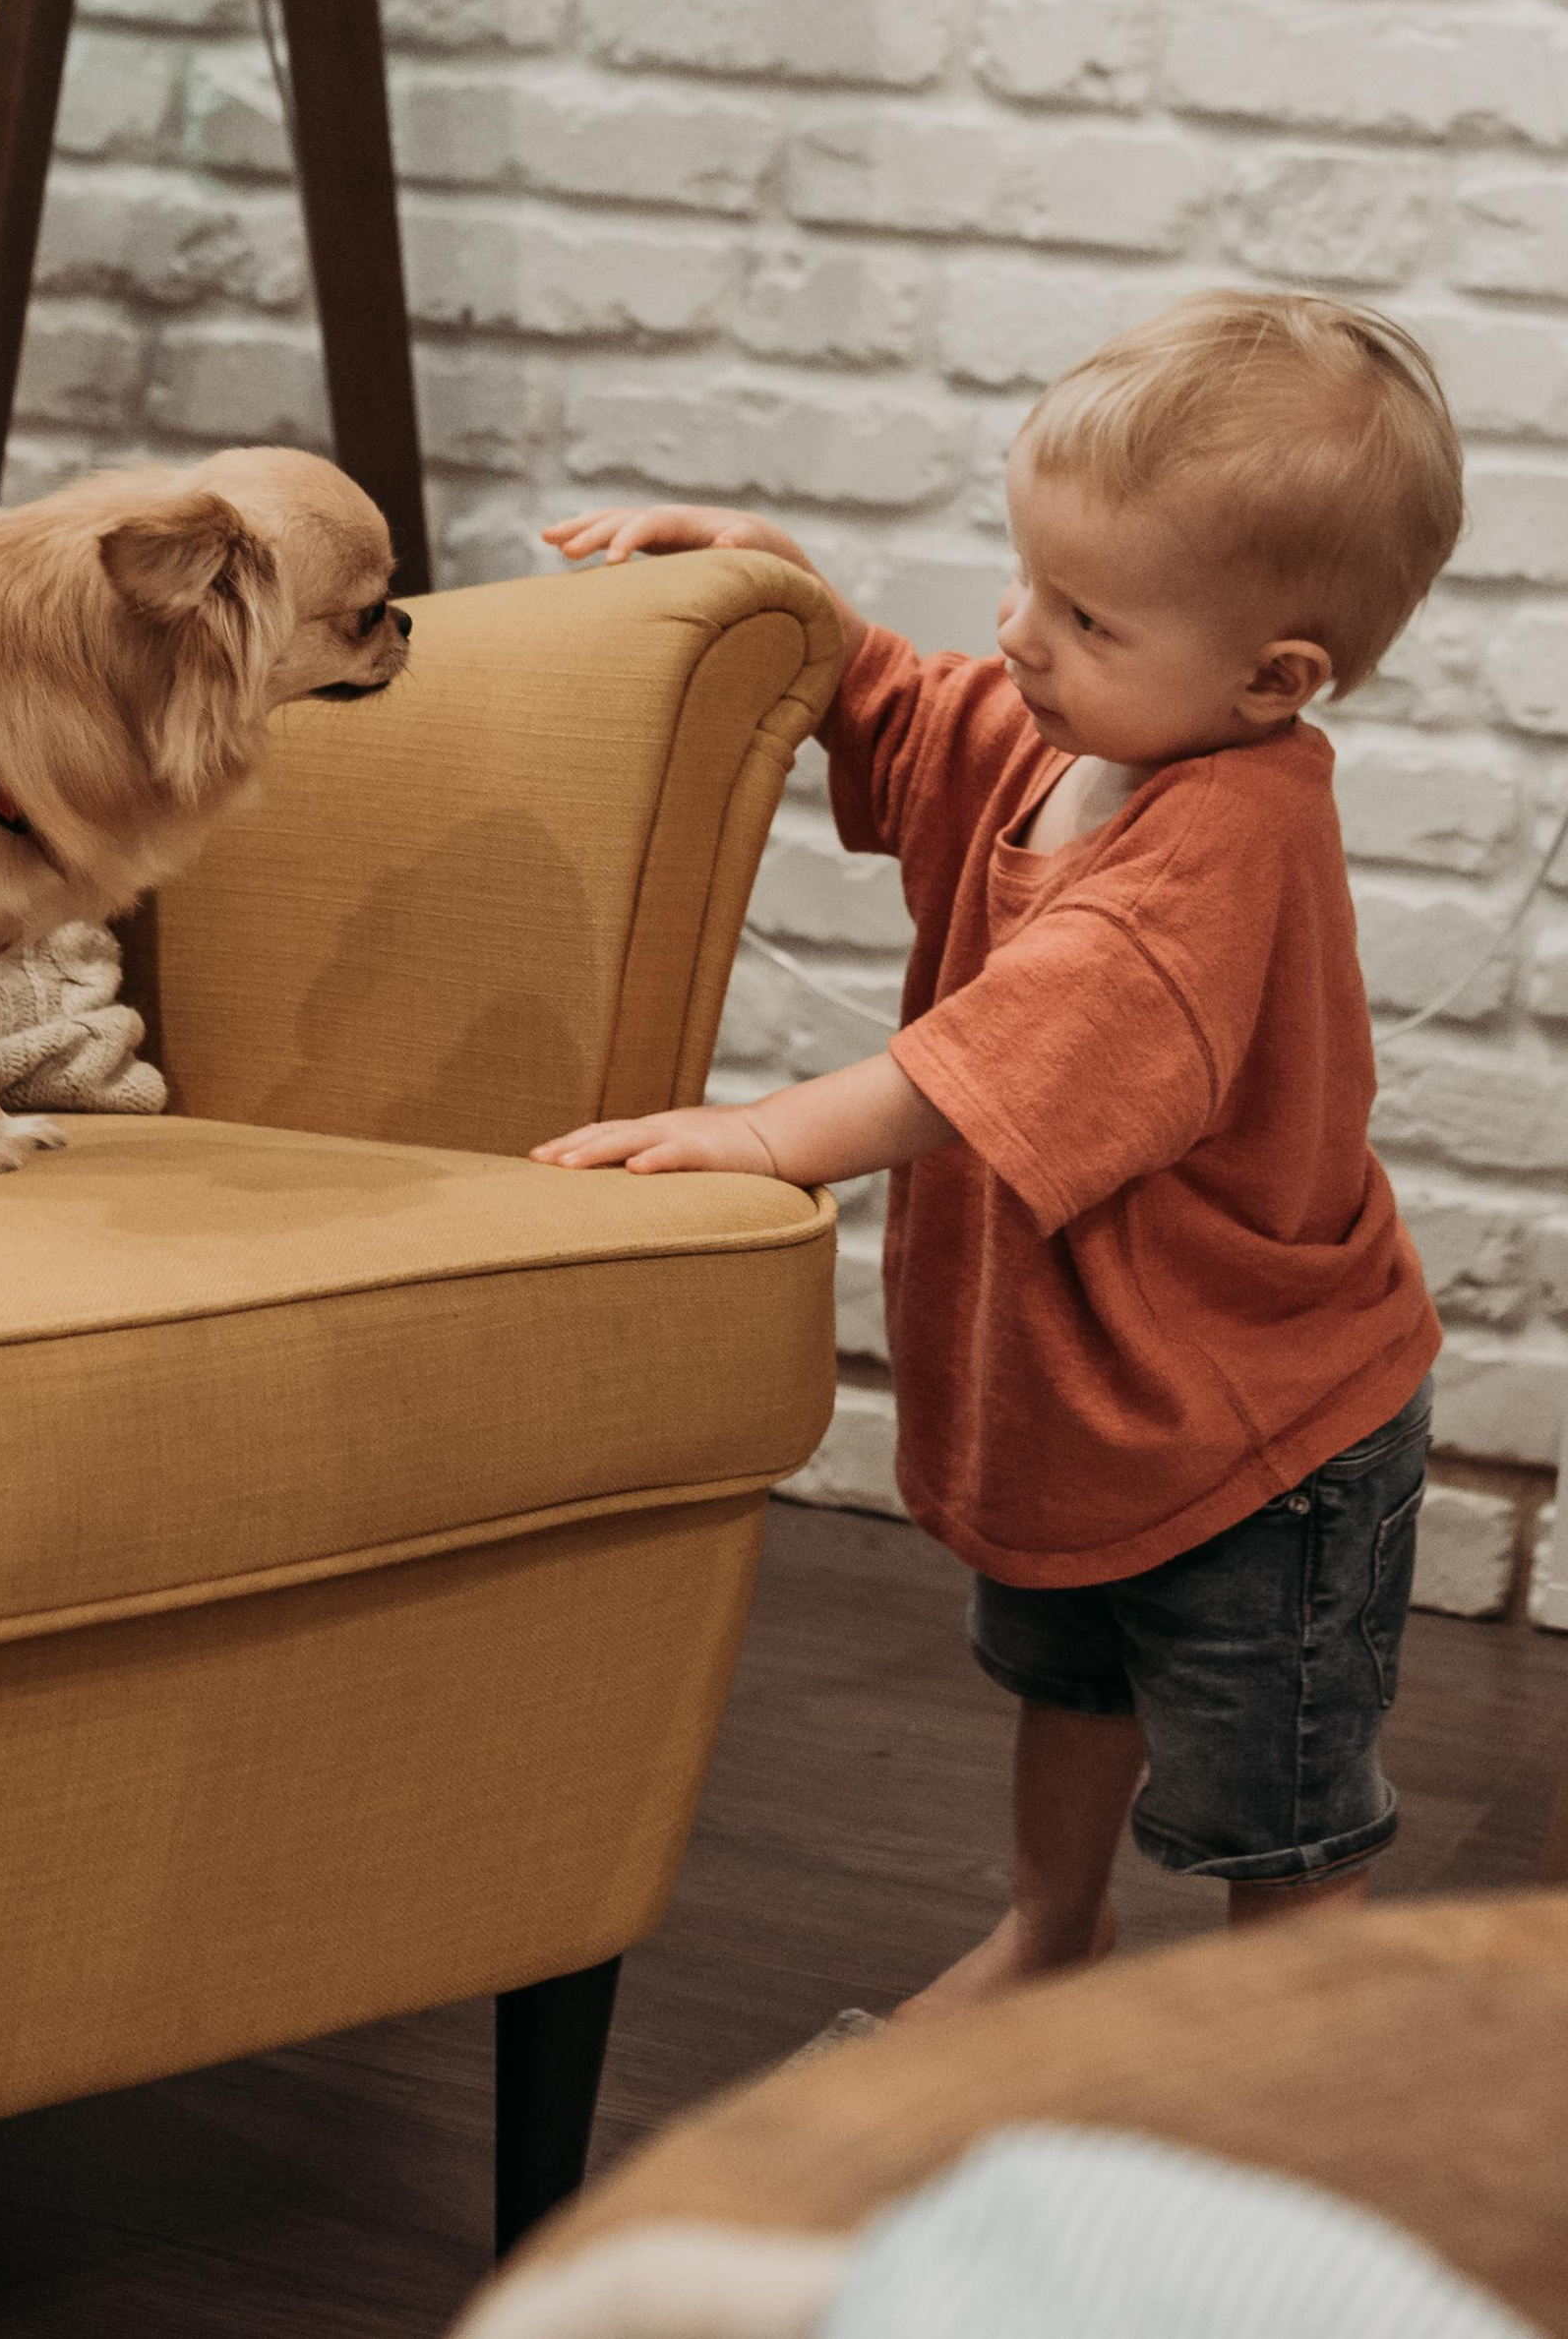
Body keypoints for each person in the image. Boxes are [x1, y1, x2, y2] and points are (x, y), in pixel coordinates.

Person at [535, 290, 1463, 2018]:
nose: (1021, 636)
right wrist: (788, 597)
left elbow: (980, 1071)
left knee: (1273, 1792)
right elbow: (909, 708)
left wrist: (755, 1136)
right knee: (1076, 1681)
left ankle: (1295, 2056)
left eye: (1086, 614)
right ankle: (1053, 1935)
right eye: (1026, 577)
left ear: (1276, 678)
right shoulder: (1083, 735)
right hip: (1096, 1401)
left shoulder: (1232, 843)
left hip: (1261, 1431)